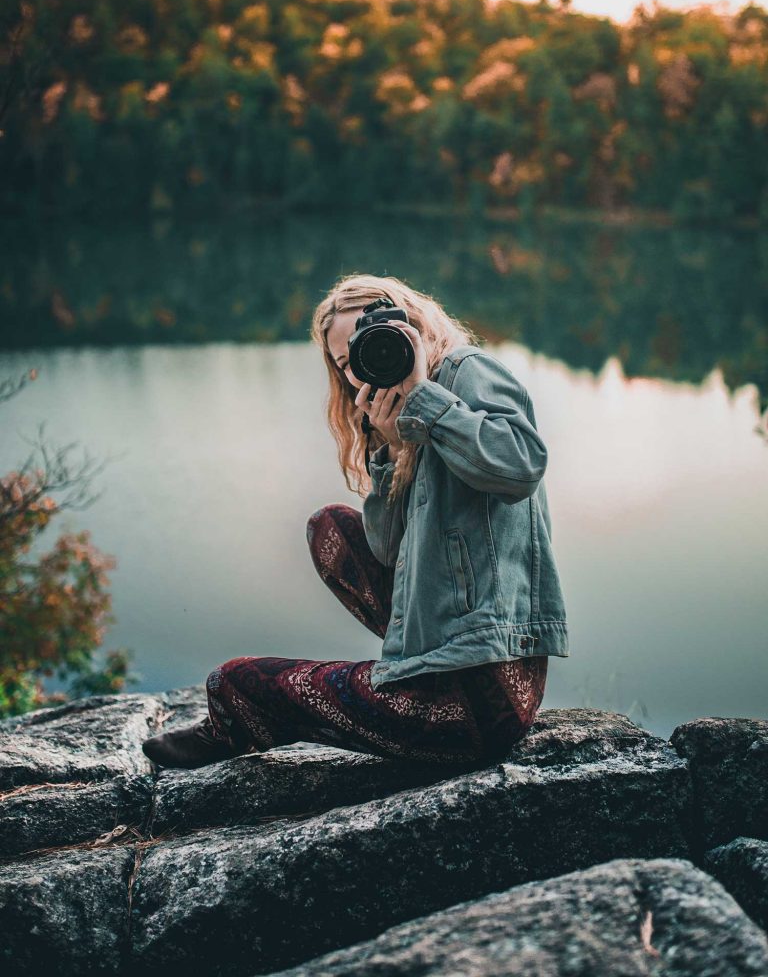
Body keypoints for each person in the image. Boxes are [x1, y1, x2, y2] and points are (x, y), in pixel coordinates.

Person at [142, 274, 568, 770]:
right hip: (439, 665)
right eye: (348, 363)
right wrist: (393, 446)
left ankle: (244, 726)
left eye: (374, 344)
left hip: (481, 692)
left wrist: (424, 402)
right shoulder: (394, 423)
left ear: (412, 327)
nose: (367, 368)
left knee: (236, 681)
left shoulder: (465, 370)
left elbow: (521, 466)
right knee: (330, 530)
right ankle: (402, 673)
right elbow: (387, 552)